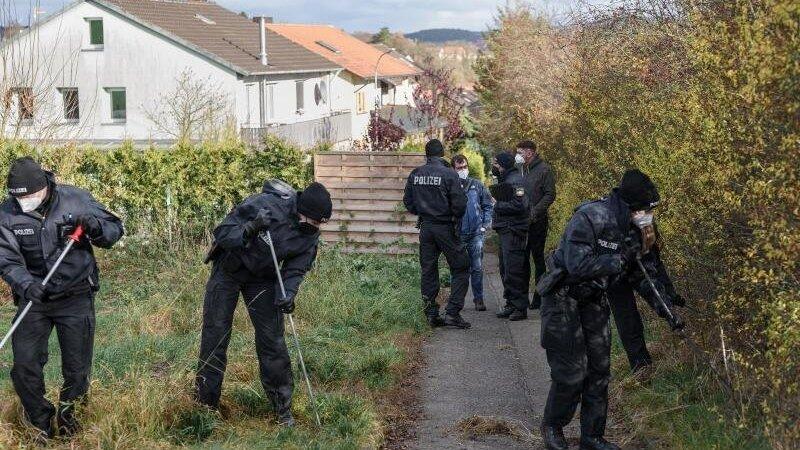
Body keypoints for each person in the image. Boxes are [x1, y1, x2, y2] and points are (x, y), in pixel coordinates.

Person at [536, 169, 684, 450]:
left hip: (594, 298)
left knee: (599, 370)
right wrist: (620, 259)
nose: (646, 216)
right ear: (629, 206)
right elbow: (576, 265)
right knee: (571, 372)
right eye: (642, 210)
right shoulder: (591, 216)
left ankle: (592, 436)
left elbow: (646, 273)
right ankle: (553, 427)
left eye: (649, 211)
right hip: (563, 297)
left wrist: (667, 310)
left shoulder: (643, 227)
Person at [0, 157, 124, 443]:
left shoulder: (76, 200)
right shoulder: (6, 214)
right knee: (24, 367)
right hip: (34, 299)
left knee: (77, 370)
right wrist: (26, 284)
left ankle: (70, 427)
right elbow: (6, 260)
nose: (24, 203)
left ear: (44, 187)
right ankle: (39, 426)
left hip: (75, 296)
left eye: (30, 197)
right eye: (18, 199)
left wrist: (95, 228)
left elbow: (114, 231)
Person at [195, 180, 332, 427]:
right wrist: (250, 228)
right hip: (229, 269)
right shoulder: (265, 205)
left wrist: (288, 293)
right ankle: (205, 407)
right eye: (311, 222)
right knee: (215, 335)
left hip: (262, 277)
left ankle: (283, 409)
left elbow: (296, 268)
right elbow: (222, 232)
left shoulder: (309, 236)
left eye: (319, 224)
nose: (314, 228)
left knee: (273, 340)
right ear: (301, 210)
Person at [403, 139, 471, 329]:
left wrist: (423, 212)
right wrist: (452, 216)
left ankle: (431, 314)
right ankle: (452, 313)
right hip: (446, 227)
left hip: (426, 228)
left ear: (426, 155)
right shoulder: (449, 174)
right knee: (461, 267)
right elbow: (459, 205)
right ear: (443, 154)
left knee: (428, 270)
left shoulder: (416, 173)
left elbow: (407, 201)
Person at [608, 223, 686, 372]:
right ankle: (641, 369)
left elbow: (656, 262)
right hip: (611, 269)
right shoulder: (609, 223)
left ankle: (674, 324)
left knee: (653, 291)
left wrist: (671, 294)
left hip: (635, 263)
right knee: (627, 319)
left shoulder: (647, 225)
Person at [516, 140, 556, 310]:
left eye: (520, 152)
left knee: (537, 258)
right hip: (521, 221)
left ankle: (539, 297)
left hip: (537, 221)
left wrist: (535, 212)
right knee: (522, 260)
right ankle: (523, 297)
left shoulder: (544, 169)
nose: (518, 155)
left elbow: (550, 194)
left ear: (530, 152)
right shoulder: (521, 170)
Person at [491, 152, 530, 321]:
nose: (495, 167)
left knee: (514, 269)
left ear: (504, 165)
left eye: (497, 164)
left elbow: (520, 205)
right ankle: (511, 304)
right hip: (505, 229)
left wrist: (497, 205)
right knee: (505, 268)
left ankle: (520, 307)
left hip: (514, 231)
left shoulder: (517, 181)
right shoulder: (507, 180)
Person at [451, 154, 493, 311]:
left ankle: (479, 299)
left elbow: (488, 205)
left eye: (465, 167)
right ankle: (456, 303)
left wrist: (484, 225)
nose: (463, 170)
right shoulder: (450, 186)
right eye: (459, 168)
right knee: (457, 269)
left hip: (476, 233)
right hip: (458, 234)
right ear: (453, 169)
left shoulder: (477, 185)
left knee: (477, 267)